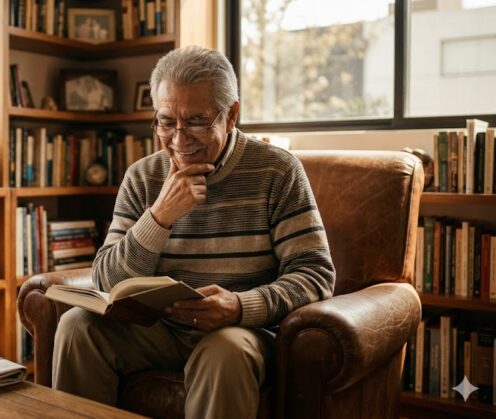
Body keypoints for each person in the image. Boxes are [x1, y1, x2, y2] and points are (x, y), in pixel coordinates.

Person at [52, 46, 335, 419]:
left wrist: (239, 307)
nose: (179, 139)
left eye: (198, 121)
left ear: (232, 114)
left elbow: (315, 275)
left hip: (240, 331)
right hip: (159, 330)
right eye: (166, 122)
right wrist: (160, 217)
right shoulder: (143, 176)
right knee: (77, 325)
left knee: (223, 352)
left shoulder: (278, 172)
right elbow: (106, 277)